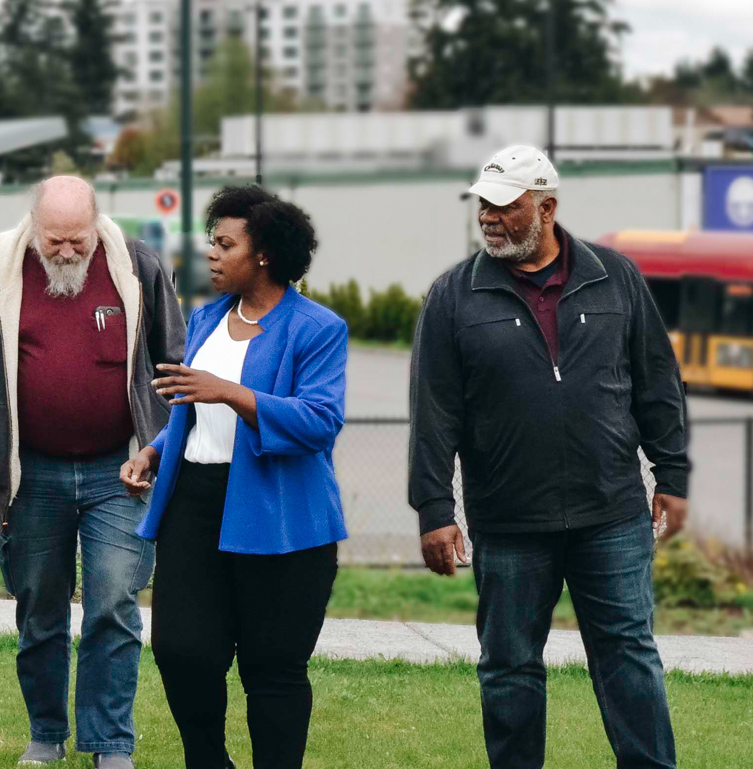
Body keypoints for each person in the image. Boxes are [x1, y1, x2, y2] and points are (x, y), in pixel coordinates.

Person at [408, 145, 691, 769]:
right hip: (508, 522)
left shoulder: (615, 278)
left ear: (547, 207)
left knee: (628, 657)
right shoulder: (453, 296)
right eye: (483, 203)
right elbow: (434, 414)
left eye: (504, 206)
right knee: (508, 669)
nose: (488, 216)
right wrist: (433, 506)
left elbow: (657, 382)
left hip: (610, 514)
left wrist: (672, 471)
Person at [0, 176, 186, 769]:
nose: (66, 251)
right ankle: (46, 735)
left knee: (113, 602)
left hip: (121, 470)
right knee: (40, 610)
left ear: (96, 223)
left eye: (77, 239)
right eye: (54, 240)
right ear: (34, 227)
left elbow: (174, 363)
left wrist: (155, 446)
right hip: (34, 476)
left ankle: (110, 743)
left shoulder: (138, 269)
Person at [123, 186, 348, 769]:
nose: (212, 256)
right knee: (180, 650)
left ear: (266, 253)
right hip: (194, 507)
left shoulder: (317, 328)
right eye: (211, 243)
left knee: (272, 667)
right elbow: (192, 413)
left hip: (280, 516)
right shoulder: (206, 318)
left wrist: (227, 391)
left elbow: (319, 423)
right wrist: (152, 449)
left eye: (225, 244)